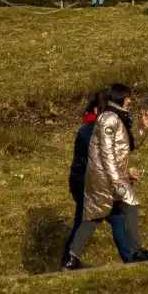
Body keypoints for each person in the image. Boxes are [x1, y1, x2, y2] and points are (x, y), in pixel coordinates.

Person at [63, 83, 148, 269]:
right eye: (127, 96)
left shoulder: (118, 118)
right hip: (105, 179)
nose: (130, 100)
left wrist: (143, 127)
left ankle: (71, 259)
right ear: (119, 97)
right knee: (128, 205)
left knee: (94, 217)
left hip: (109, 177)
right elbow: (106, 152)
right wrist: (117, 178)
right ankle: (136, 253)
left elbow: (127, 146)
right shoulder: (108, 119)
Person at [61, 90, 105, 266]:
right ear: (97, 110)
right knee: (117, 217)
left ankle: (68, 260)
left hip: (87, 182)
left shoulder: (90, 126)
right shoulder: (90, 129)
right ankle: (69, 260)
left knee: (84, 220)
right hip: (88, 183)